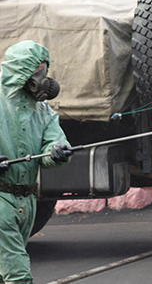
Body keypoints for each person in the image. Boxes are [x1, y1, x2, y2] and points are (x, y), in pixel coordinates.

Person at [0, 40, 72, 284]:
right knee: (17, 274)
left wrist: (57, 152)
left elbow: (54, 142)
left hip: (27, 202)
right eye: (36, 71)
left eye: (44, 70)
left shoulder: (43, 111)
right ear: (20, 72)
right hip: (1, 200)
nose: (43, 78)